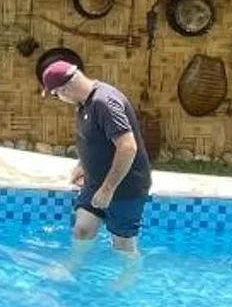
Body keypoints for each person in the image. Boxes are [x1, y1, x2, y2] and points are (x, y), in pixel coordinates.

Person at [38, 57, 151, 254]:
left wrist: (108, 189)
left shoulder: (103, 102)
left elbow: (127, 147)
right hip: (95, 184)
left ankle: (128, 281)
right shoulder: (85, 103)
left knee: (123, 245)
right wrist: (83, 164)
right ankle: (72, 267)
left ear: (65, 89)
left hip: (124, 187)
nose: (60, 99)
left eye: (56, 95)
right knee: (82, 230)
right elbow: (96, 138)